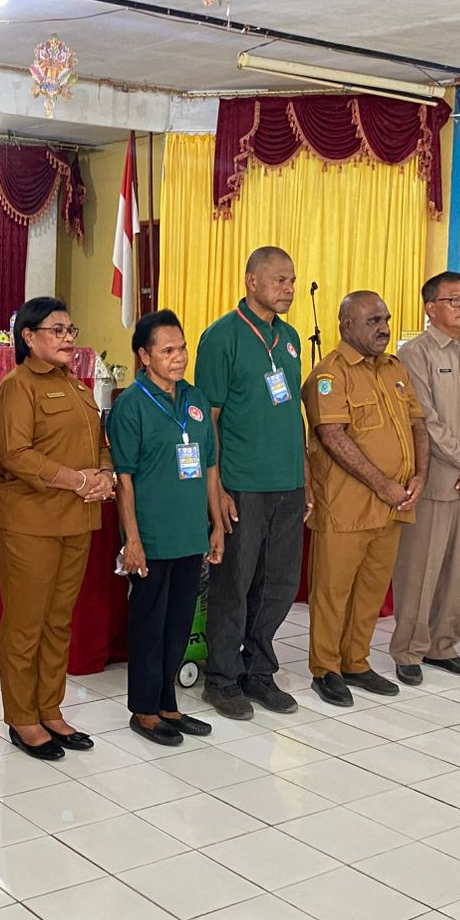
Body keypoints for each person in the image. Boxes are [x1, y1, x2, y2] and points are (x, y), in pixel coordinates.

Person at [0, 297, 114, 761]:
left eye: (70, 330)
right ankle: (23, 718)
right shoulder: (17, 388)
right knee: (26, 624)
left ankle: (50, 709)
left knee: (59, 621)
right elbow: (16, 455)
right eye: (56, 330)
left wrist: (104, 474)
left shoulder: (77, 386)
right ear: (28, 336)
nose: (67, 338)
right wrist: (77, 480)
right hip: (29, 522)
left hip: (75, 519)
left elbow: (98, 441)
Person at [193, 246, 309, 720]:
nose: (289, 289)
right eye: (280, 280)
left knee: (279, 583)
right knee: (234, 585)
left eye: (292, 280)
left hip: (289, 483)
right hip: (242, 484)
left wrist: (306, 477)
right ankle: (221, 678)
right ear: (251, 281)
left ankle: (258, 671)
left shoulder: (290, 337)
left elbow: (293, 413)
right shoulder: (222, 337)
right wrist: (216, 488)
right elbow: (208, 420)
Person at [301, 292, 427, 707]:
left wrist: (420, 476)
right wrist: (382, 484)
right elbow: (332, 437)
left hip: (393, 506)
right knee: (332, 593)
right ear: (346, 325)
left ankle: (356, 661)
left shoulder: (395, 368)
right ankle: (326, 668)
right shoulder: (329, 374)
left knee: (371, 591)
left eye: (386, 319)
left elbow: (418, 424)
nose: (384, 328)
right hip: (346, 507)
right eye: (373, 321)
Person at [108, 310, 224, 745]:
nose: (179, 357)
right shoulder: (131, 405)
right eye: (168, 350)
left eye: (183, 348)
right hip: (152, 538)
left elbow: (209, 466)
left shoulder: (194, 399)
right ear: (144, 356)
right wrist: (133, 541)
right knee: (149, 626)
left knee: (178, 624)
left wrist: (216, 525)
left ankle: (168, 705)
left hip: (190, 534)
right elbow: (124, 479)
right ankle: (143, 710)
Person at [390, 272, 460, 685]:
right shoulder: (414, 354)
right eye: (455, 300)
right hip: (437, 481)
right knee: (420, 570)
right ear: (430, 307)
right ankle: (408, 650)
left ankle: (443, 646)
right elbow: (425, 420)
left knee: (455, 572)